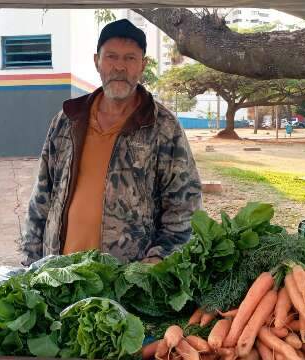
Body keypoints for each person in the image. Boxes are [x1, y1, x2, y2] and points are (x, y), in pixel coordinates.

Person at [20, 19, 202, 265]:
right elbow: (43, 194)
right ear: (97, 61)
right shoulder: (67, 120)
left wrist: (158, 261)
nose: (119, 67)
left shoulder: (164, 127)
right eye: (111, 57)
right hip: (59, 274)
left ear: (142, 65)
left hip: (128, 281)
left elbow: (184, 209)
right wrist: (31, 259)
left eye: (130, 58)